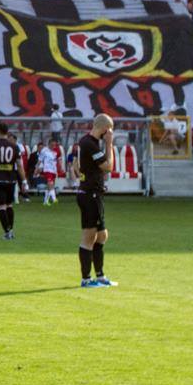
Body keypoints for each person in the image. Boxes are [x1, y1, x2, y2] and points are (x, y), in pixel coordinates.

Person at [76, 115, 116, 288]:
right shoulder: (90, 144)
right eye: (110, 130)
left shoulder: (88, 142)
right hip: (90, 194)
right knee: (89, 236)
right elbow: (108, 167)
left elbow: (75, 164)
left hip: (93, 193)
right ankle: (86, 279)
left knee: (102, 235)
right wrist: (109, 144)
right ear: (105, 129)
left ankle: (100, 276)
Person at [0, 124, 26, 240]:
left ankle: (7, 232)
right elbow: (19, 166)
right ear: (7, 131)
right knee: (9, 204)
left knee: (1, 206)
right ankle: (11, 231)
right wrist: (24, 181)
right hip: (11, 179)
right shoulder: (14, 146)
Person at [37, 138, 61, 205]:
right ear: (49, 144)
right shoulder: (44, 150)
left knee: (50, 186)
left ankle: (45, 201)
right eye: (52, 145)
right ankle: (54, 198)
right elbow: (40, 160)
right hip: (47, 169)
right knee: (50, 183)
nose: (53, 146)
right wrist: (36, 168)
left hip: (53, 170)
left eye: (54, 145)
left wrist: (60, 167)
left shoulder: (56, 150)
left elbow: (58, 159)